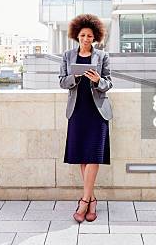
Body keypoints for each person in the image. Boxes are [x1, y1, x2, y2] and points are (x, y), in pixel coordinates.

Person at [59, 13, 113, 223]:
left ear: (95, 37)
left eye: (90, 36)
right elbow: (62, 82)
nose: (86, 39)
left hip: (97, 111)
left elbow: (109, 83)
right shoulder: (67, 56)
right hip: (77, 110)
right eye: (83, 35)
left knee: (93, 156)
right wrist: (76, 77)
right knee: (83, 156)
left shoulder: (103, 56)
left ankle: (84, 201)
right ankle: (92, 200)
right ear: (77, 36)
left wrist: (98, 80)